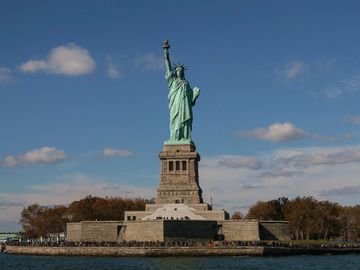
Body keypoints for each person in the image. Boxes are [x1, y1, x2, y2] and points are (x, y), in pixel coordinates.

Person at [163, 40, 200, 144]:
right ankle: (175, 137)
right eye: (177, 70)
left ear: (183, 72)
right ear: (175, 72)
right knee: (175, 120)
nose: (179, 71)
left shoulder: (186, 83)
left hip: (184, 105)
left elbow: (191, 102)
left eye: (181, 70)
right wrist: (166, 52)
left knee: (185, 120)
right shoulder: (173, 80)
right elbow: (168, 65)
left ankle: (185, 137)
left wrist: (195, 95)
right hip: (175, 104)